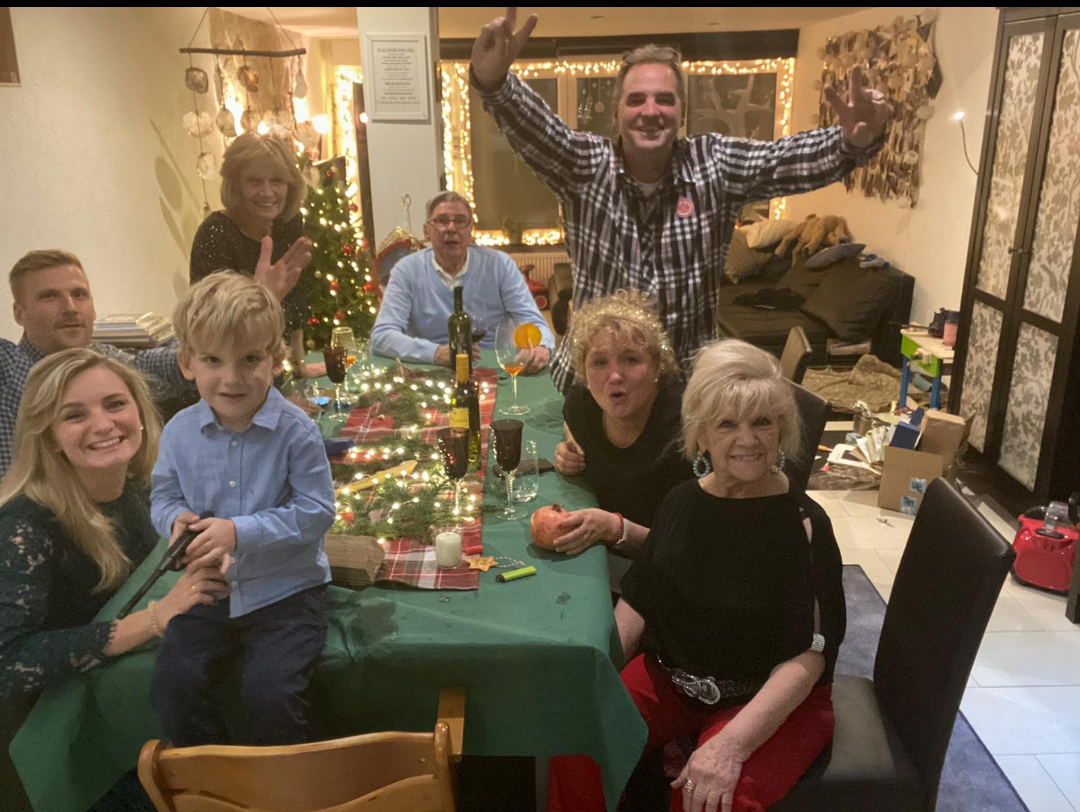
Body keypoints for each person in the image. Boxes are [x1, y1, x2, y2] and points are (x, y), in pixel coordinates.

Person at [470, 10, 889, 392]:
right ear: (616, 115)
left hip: (683, 391)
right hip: (594, 387)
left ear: (682, 114)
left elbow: (784, 160)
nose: (650, 110)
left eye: (665, 99)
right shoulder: (585, 166)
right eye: (636, 99)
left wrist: (850, 143)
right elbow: (538, 130)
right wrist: (494, 83)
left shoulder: (715, 166)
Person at [548, 340, 845, 812]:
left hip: (768, 697)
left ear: (782, 430)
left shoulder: (804, 526)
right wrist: (595, 677)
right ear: (701, 434)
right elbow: (639, 603)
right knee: (575, 737)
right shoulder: (683, 501)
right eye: (727, 424)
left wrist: (731, 745)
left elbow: (808, 657)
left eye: (762, 422)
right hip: (674, 680)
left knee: (709, 799)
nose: (747, 440)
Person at [0, 349, 229, 810]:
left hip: (130, 703)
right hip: (64, 749)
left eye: (115, 404)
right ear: (48, 436)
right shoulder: (25, 525)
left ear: (141, 412)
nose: (103, 424)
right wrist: (155, 619)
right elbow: (9, 661)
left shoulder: (140, 487)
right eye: (74, 415)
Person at [149, 271, 335, 746]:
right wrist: (173, 521)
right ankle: (210, 775)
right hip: (209, 589)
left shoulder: (297, 432)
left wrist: (239, 531)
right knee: (173, 683)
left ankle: (285, 780)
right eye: (213, 360)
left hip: (288, 591)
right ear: (187, 362)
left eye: (250, 359)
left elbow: (317, 511)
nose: (231, 378)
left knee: (271, 692)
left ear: (275, 360)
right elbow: (164, 495)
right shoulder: (178, 432)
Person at [1, 247, 305, 479]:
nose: (70, 307)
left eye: (79, 294)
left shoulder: (105, 360)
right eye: (49, 297)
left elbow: (178, 363)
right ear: (19, 313)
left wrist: (246, 314)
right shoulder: (8, 367)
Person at [551, 291, 692, 566]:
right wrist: (571, 444)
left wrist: (616, 529)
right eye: (599, 362)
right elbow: (571, 420)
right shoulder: (583, 403)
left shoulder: (684, 433)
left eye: (631, 359)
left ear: (657, 367)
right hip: (600, 557)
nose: (615, 376)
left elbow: (687, 548)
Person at [370, 191, 554, 371]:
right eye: (441, 221)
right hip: (429, 373)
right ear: (427, 231)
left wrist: (542, 346)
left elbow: (534, 321)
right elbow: (382, 336)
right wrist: (436, 353)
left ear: (470, 230)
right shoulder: (406, 270)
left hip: (495, 370)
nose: (451, 228)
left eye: (460, 221)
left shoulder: (500, 265)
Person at [189, 132, 319, 377]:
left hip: (276, 366)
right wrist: (262, 297)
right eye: (254, 181)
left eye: (277, 180)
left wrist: (298, 367)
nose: (267, 192)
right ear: (235, 184)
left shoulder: (288, 224)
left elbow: (296, 299)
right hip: (232, 378)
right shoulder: (215, 234)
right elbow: (209, 330)